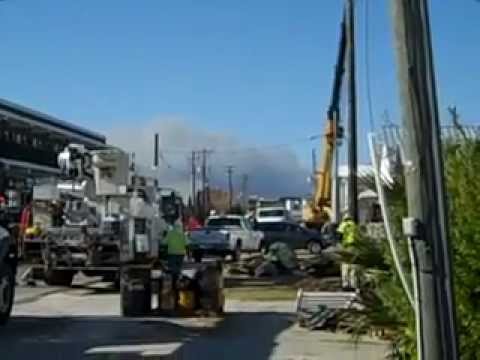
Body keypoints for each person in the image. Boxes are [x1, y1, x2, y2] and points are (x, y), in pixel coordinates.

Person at [337, 214, 359, 290]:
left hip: (345, 246)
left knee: (345, 265)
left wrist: (339, 245)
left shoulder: (344, 224)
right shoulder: (354, 225)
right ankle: (353, 284)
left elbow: (339, 235)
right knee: (353, 265)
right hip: (354, 246)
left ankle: (346, 284)